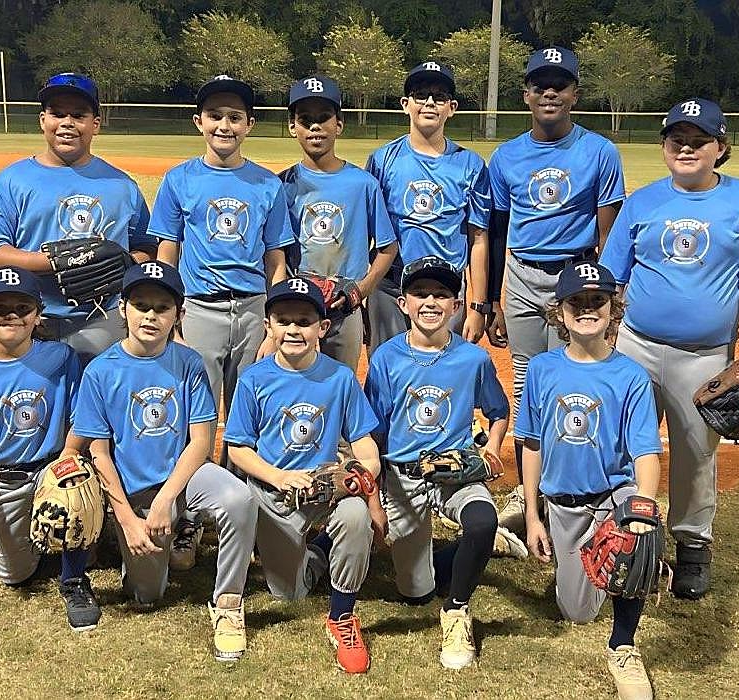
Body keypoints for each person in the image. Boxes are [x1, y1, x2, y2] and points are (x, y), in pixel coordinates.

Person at [600, 98, 739, 599]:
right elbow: (613, 276)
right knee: (624, 444)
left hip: (704, 355)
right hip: (636, 345)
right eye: (676, 139)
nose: (686, 148)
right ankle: (624, 534)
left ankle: (691, 546)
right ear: (663, 147)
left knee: (695, 452)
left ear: (720, 147)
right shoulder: (642, 203)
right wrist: (606, 340)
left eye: (698, 140)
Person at [70, 261, 257, 661]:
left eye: (162, 307)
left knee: (239, 499)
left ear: (179, 314)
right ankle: (124, 540)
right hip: (134, 489)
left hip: (184, 478)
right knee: (147, 593)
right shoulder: (101, 371)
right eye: (140, 305)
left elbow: (201, 441)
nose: (150, 316)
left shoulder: (188, 363)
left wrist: (165, 501)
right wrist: (128, 518)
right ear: (123, 309)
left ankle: (228, 604)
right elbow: (98, 452)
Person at [150, 74, 293, 566]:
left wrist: (276, 316)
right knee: (197, 421)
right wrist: (170, 310)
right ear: (199, 122)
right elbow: (168, 248)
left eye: (235, 116)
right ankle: (190, 521)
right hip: (200, 308)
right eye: (215, 115)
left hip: (253, 306)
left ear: (249, 124)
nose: (225, 124)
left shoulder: (267, 184)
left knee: (250, 417)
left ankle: (244, 518)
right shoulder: (180, 179)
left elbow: (276, 255)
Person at [487, 46, 626, 535]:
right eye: (540, 84)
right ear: (526, 94)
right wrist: (494, 301)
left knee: (574, 378)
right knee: (528, 382)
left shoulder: (600, 152)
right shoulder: (506, 157)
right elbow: (499, 232)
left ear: (574, 94)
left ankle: (577, 483)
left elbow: (608, 233)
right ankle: (534, 491)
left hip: (578, 279)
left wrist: (608, 296)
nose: (550, 91)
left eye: (560, 84)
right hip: (523, 276)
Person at [517, 261, 663, 700]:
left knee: (633, 544)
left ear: (612, 310)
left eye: (597, 301)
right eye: (576, 302)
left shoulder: (632, 376)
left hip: (612, 494)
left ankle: (623, 645)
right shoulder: (542, 369)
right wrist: (532, 516)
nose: (587, 309)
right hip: (563, 503)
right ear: (558, 313)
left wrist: (644, 508)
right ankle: (513, 536)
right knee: (577, 613)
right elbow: (532, 444)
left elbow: (646, 453)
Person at [224, 278, 383, 674]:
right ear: (269, 327)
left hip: (325, 494)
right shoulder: (254, 379)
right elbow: (237, 449)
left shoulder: (340, 378)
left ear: (322, 328)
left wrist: (362, 474)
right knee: (289, 594)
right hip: (274, 496)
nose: (294, 329)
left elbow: (365, 445)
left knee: (355, 514)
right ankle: (319, 553)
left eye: (304, 321)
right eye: (284, 320)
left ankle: (342, 616)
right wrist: (279, 477)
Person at [364, 256, 510, 670]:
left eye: (442, 294)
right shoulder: (385, 359)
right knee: (416, 592)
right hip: (403, 477)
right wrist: (377, 492)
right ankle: (470, 552)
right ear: (403, 303)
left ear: (457, 304)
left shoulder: (473, 359)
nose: (431, 302)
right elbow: (375, 431)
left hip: (454, 471)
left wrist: (492, 448)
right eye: (420, 293)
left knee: (482, 520)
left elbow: (498, 412)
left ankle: (458, 610)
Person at [0, 267, 101, 632]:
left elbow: (81, 418)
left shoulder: (59, 359)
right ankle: (43, 543)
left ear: (38, 314)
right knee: (15, 575)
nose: (12, 315)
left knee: (75, 490)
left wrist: (66, 462)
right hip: (4, 480)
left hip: (52, 466)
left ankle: (73, 578)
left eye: (22, 307)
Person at [0, 73, 156, 363]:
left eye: (79, 115)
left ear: (95, 124)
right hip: (31, 319)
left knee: (98, 404)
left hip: (101, 318)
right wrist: (57, 263)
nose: (67, 123)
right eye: (57, 113)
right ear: (43, 120)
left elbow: (147, 246)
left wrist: (130, 262)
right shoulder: (13, 181)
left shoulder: (121, 185)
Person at [365, 62, 492, 352]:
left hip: (445, 287)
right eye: (421, 95)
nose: (430, 103)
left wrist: (477, 306)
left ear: (452, 107)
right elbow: (366, 233)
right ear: (406, 104)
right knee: (387, 369)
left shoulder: (470, 165)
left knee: (442, 374)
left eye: (440, 96)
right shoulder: (382, 160)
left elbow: (478, 238)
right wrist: (364, 290)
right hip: (390, 286)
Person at [279, 75, 397, 370]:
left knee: (341, 383)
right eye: (305, 119)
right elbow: (273, 251)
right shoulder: (281, 185)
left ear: (339, 125)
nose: (315, 126)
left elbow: (388, 248)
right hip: (297, 304)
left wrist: (361, 290)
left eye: (324, 118)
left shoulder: (362, 184)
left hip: (345, 305)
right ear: (293, 127)